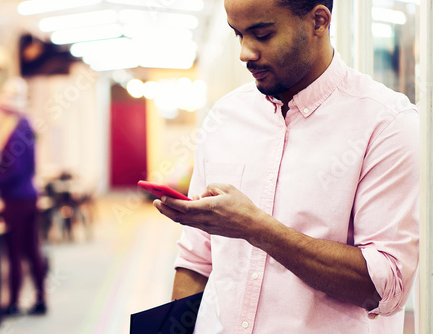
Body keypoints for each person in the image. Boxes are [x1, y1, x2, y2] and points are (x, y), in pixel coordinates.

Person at [154, 0, 419, 333]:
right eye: (237, 35)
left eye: (262, 35)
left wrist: (256, 228)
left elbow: (387, 287)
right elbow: (196, 259)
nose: (244, 53)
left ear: (319, 21)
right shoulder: (225, 118)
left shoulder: (387, 124)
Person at [0, 77, 47, 316]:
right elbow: (11, 165)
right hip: (29, 196)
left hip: (16, 200)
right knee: (32, 249)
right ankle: (40, 300)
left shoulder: (14, 131)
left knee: (15, 250)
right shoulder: (26, 125)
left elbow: (12, 169)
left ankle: (14, 303)